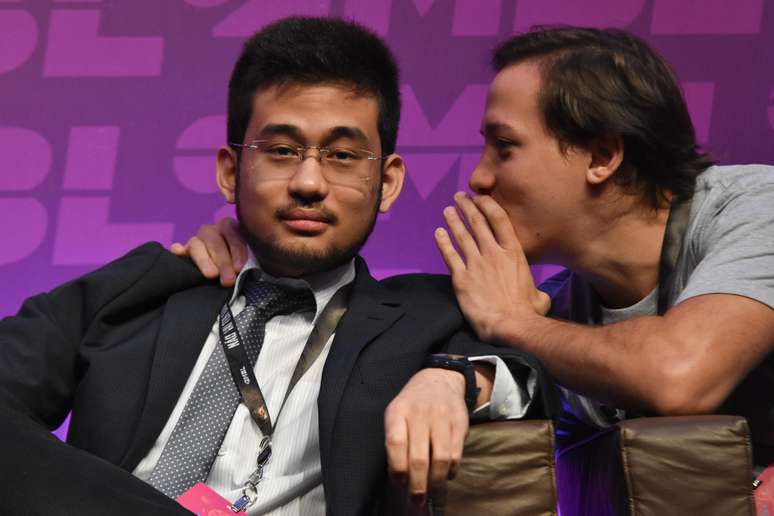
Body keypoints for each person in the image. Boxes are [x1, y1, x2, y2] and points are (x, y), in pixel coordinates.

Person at [0, 17, 549, 516]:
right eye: (282, 150)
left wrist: (450, 378)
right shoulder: (140, 294)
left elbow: (529, 370)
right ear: (229, 170)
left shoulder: (426, 315)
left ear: (388, 183)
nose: (309, 183)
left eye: (342, 155)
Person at [190, 26, 774, 471]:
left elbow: (679, 375)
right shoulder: (564, 313)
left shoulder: (756, 210)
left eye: (504, 146)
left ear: (601, 156)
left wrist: (515, 322)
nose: (479, 178)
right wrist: (253, 266)